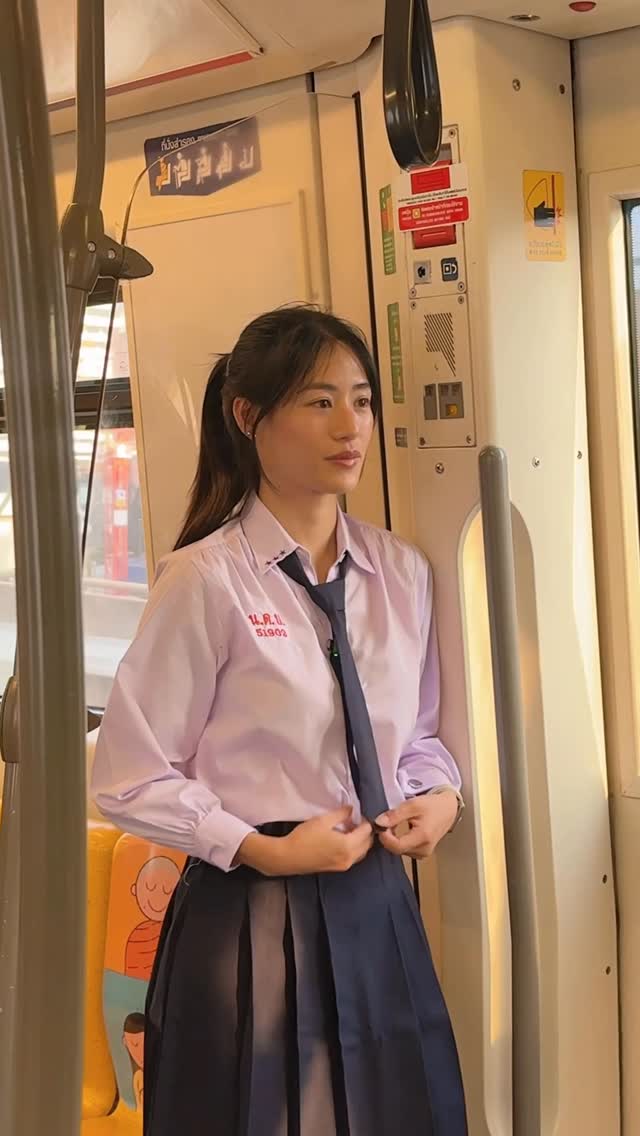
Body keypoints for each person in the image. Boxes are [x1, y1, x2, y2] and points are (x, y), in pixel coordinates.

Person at [91, 305, 467, 1136]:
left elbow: (419, 735)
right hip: (248, 912)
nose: (350, 427)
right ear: (248, 415)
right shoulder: (205, 580)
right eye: (318, 402)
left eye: (361, 401)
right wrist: (262, 847)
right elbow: (128, 775)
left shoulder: (401, 572)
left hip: (377, 901)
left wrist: (440, 797)